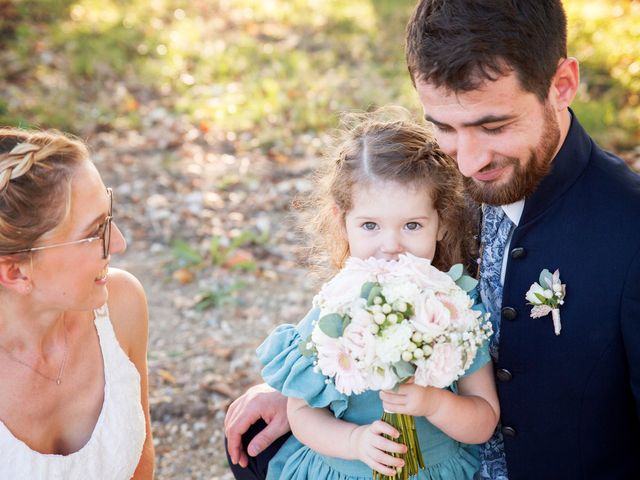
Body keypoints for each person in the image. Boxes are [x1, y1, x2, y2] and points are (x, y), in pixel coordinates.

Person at [227, 1, 640, 478]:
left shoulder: (628, 231)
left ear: (562, 85)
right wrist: (306, 388)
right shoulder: (436, 186)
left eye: (493, 126)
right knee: (254, 446)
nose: (466, 163)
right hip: (419, 449)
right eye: (444, 127)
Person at [230, 109, 499, 479]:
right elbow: (303, 413)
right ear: (344, 223)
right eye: (370, 225)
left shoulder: (455, 309)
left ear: (441, 223)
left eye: (412, 225)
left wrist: (434, 403)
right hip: (346, 468)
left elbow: (484, 419)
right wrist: (355, 441)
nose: (391, 245)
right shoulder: (336, 305)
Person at [0, 128, 154, 479]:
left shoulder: (121, 306)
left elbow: (141, 463)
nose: (119, 244)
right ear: (14, 271)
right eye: (92, 233)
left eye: (108, 217)